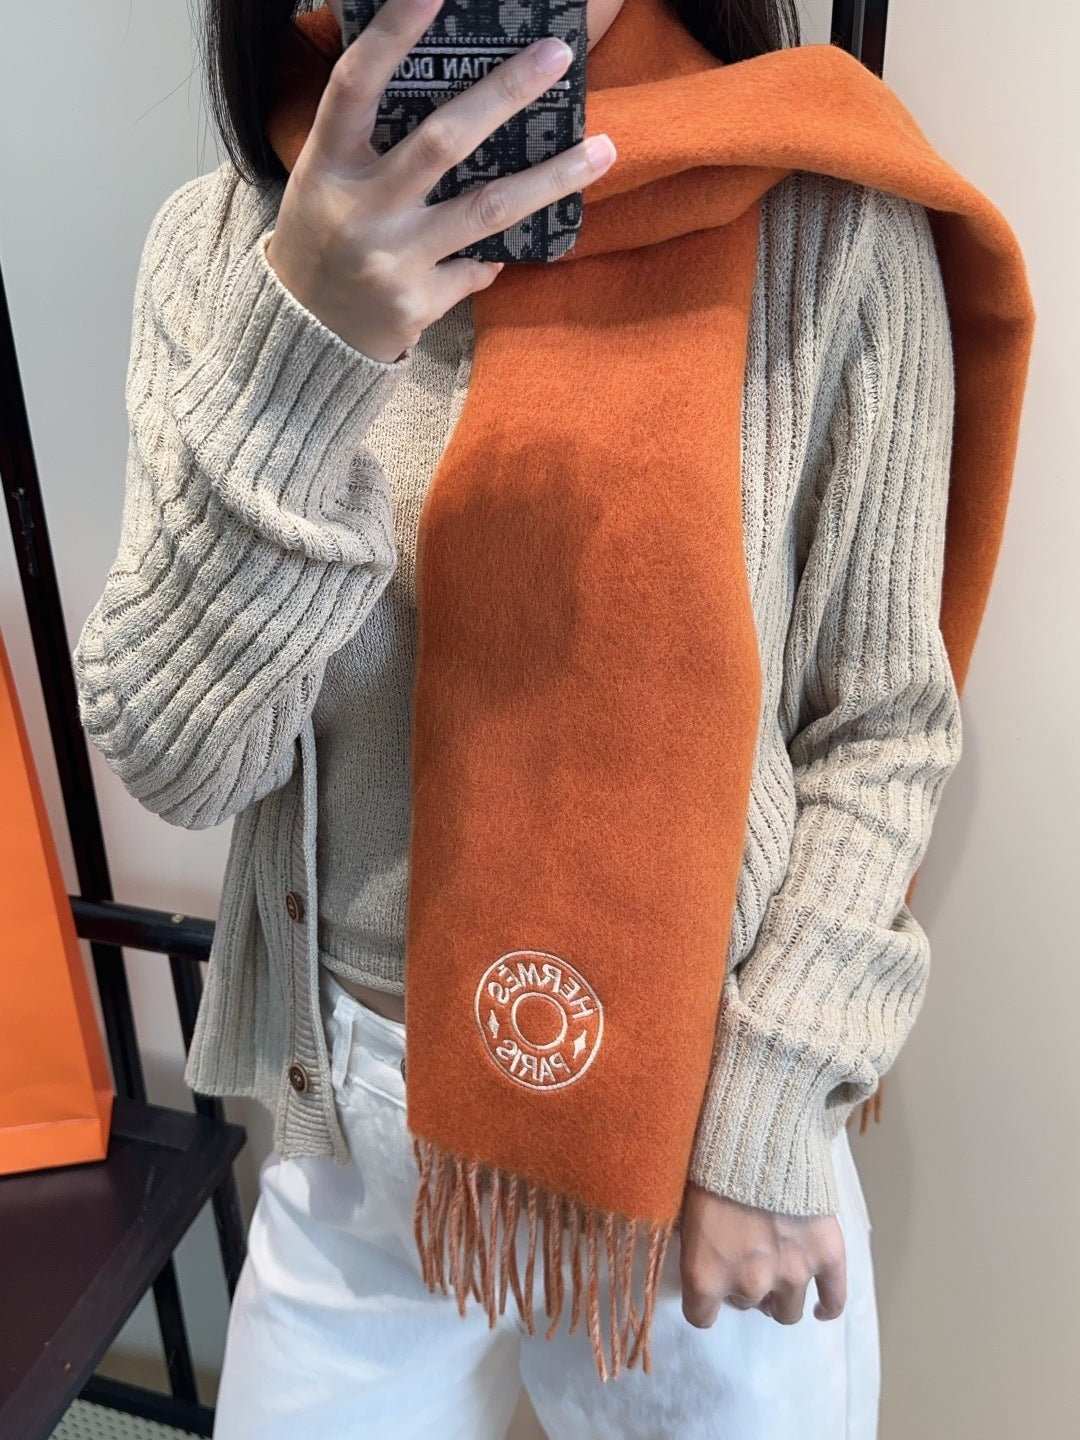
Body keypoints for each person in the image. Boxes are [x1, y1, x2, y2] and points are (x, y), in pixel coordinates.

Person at [73, 0, 961, 1433]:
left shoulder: (821, 213)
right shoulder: (229, 242)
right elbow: (182, 760)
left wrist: (775, 1106)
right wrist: (310, 348)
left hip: (694, 1139)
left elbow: (881, 725)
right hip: (354, 1138)